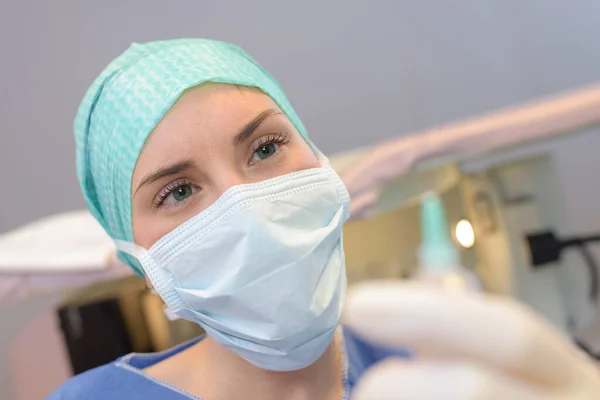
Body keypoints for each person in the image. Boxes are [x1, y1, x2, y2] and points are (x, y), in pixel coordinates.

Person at [48, 39, 600, 399]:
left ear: (318, 157)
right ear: (140, 261)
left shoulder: (438, 368)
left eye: (265, 148)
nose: (248, 209)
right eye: (179, 190)